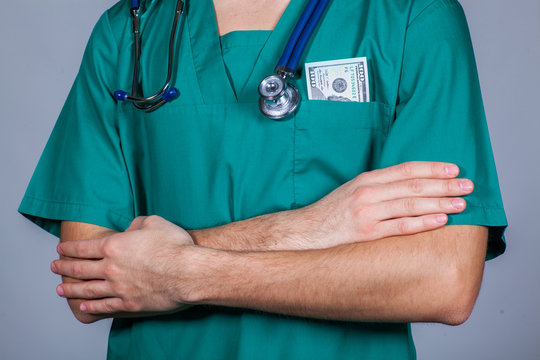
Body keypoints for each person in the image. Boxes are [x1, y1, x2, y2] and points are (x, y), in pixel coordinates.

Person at [19, 0, 507, 359]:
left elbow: (443, 280)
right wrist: (310, 228)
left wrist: (179, 272)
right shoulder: (129, 30)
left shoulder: (411, 17)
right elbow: (89, 284)